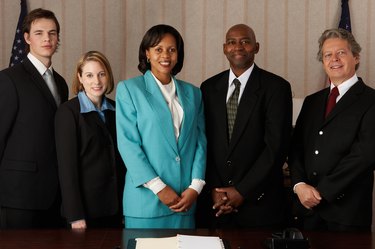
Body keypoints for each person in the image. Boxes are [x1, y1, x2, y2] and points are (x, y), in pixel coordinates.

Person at [198, 24, 292, 228]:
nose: (237, 47)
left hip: (260, 205)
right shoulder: (208, 88)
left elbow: (276, 148)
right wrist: (215, 189)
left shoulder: (277, 88)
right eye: (231, 42)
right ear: (224, 48)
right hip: (216, 204)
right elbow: (204, 143)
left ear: (256, 47)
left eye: (245, 41)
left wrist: (242, 191)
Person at [116, 24, 206, 229]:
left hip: (185, 202)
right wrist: (159, 188)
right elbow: (128, 145)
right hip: (145, 203)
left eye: (172, 49)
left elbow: (200, 142)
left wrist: (196, 186)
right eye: (158, 49)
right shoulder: (129, 90)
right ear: (147, 53)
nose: (165, 55)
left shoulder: (194, 93)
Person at [289, 28, 375, 232]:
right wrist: (299, 185)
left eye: (341, 53)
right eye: (328, 55)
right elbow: (296, 147)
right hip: (307, 211)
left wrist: (321, 192)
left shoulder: (371, 100)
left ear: (356, 57)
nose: (334, 59)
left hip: (347, 213)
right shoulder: (312, 102)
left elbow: (365, 155)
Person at [0, 8, 68, 228]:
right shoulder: (9, 79)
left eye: (52, 33)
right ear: (27, 38)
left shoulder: (61, 83)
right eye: (39, 33)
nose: (47, 38)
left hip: (55, 196)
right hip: (19, 195)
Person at [55, 51, 125, 229]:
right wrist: (75, 215)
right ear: (80, 77)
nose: (97, 81)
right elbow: (66, 169)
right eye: (89, 75)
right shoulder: (68, 112)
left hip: (115, 209)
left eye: (102, 74)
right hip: (84, 213)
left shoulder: (116, 109)